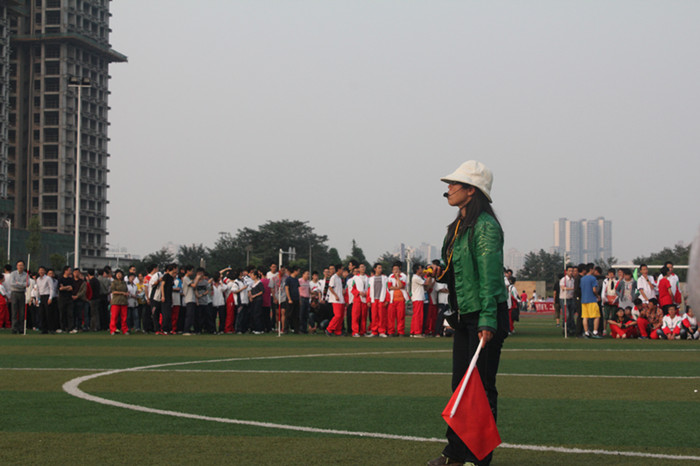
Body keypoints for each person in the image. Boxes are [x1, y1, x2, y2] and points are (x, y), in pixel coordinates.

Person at [428, 160, 509, 466]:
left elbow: (490, 278)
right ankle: (455, 453)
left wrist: (487, 320)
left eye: (454, 184)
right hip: (464, 316)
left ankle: (479, 458)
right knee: (460, 388)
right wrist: (441, 270)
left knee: (481, 390)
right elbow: (456, 269)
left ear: (471, 191)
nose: (448, 188)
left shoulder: (485, 226)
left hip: (485, 316)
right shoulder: (457, 227)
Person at [580, 265, 601, 338]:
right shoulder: (593, 278)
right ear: (591, 269)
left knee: (585, 317)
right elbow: (594, 290)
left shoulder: (582, 279)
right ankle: (595, 332)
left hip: (584, 300)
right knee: (597, 316)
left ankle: (586, 332)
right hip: (591, 299)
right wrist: (597, 296)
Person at [387, 261, 408, 337]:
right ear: (392, 271)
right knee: (391, 317)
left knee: (401, 316)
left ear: (399, 270)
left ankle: (400, 331)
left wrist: (398, 278)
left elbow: (402, 286)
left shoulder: (403, 276)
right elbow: (389, 287)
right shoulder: (390, 276)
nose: (396, 271)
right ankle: (391, 331)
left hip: (401, 299)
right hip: (392, 299)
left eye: (397, 269)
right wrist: (398, 287)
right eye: (394, 269)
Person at [109, 270, 129, 335]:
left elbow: (126, 290)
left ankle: (124, 329)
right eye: (117, 274)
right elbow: (113, 291)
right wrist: (122, 293)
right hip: (116, 301)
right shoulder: (114, 282)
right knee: (114, 316)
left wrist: (126, 294)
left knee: (124, 317)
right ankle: (113, 329)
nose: (119, 275)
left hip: (124, 301)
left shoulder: (124, 282)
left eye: (120, 274)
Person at [601, 269, 619, 336]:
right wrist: (604, 299)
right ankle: (604, 330)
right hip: (607, 300)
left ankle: (612, 330)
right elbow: (603, 291)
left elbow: (618, 290)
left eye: (612, 274)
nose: (611, 275)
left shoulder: (617, 281)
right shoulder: (605, 281)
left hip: (615, 300)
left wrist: (615, 299)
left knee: (613, 316)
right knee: (606, 316)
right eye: (609, 274)